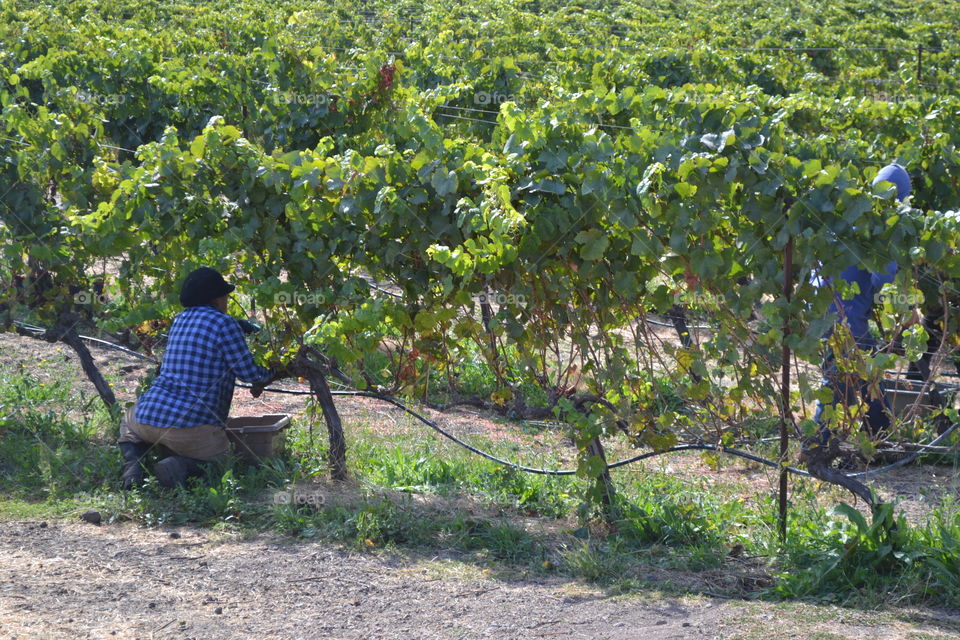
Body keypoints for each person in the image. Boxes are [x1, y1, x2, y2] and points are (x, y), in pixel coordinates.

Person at [118, 267, 277, 489]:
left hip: (148, 418)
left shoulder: (180, 320)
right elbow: (250, 374)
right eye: (225, 297)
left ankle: (134, 464)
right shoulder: (225, 324)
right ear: (217, 299)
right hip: (192, 427)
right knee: (223, 465)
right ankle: (178, 466)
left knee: (128, 424)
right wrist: (276, 370)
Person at [811, 163, 912, 441]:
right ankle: (819, 445)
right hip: (846, 315)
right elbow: (885, 283)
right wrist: (907, 305)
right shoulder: (880, 227)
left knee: (859, 377)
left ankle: (877, 437)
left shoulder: (846, 213)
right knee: (843, 381)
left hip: (818, 307)